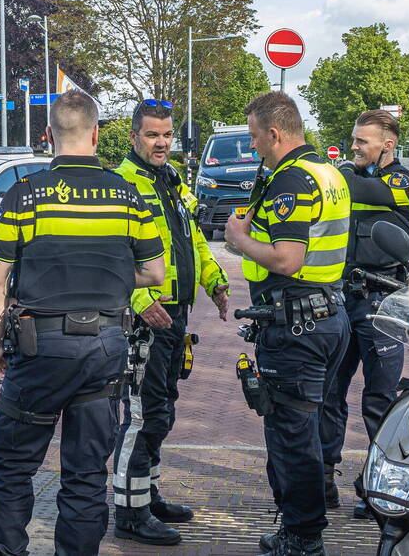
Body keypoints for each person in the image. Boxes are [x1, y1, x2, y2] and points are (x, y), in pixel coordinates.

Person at [0, 89, 166, 556]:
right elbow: (155, 272)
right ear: (98, 134)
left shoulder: (25, 195)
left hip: (39, 347)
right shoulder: (129, 196)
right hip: (105, 345)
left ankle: (6, 552)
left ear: (48, 136)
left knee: (14, 466)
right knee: (86, 474)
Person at [224, 91, 351, 556]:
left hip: (296, 325)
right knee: (313, 427)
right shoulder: (328, 173)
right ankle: (308, 521)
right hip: (329, 314)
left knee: (292, 435)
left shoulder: (292, 180)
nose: (253, 147)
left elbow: (287, 258)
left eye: (256, 138)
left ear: (275, 133)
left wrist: (238, 240)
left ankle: (301, 536)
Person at [111, 99, 230, 545]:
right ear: (134, 137)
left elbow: (193, 238)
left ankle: (148, 494)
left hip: (176, 314)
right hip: (146, 317)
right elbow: (113, 253)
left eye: (167, 134)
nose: (161, 143)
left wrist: (214, 280)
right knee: (143, 415)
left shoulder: (172, 180)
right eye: (152, 135)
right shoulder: (122, 184)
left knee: (162, 410)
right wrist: (140, 298)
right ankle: (128, 510)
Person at [318, 109, 409, 519]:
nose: (355, 146)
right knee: (329, 392)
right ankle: (324, 477)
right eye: (354, 139)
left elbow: (364, 191)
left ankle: (379, 488)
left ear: (388, 145)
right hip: (344, 298)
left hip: (383, 302)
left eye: (363, 141)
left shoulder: (402, 182)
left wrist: (334, 172)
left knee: (380, 399)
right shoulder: (355, 179)